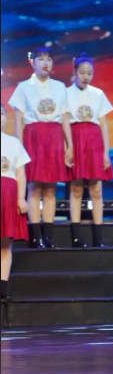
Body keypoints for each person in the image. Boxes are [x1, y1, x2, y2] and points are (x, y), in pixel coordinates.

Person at [9, 48, 73, 248]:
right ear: (33, 63)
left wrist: (69, 145)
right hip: (33, 137)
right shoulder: (24, 87)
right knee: (34, 188)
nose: (45, 63)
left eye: (49, 59)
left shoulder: (60, 87)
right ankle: (36, 237)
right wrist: (19, 148)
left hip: (54, 137)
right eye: (41, 59)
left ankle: (49, 236)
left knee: (51, 189)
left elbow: (64, 118)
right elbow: (19, 120)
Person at [67, 53, 113, 248]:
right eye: (82, 72)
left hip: (94, 143)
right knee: (76, 189)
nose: (86, 76)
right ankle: (77, 237)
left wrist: (106, 152)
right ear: (74, 72)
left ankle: (99, 238)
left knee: (96, 190)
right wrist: (67, 148)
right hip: (76, 140)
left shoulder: (98, 94)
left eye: (89, 73)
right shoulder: (65, 94)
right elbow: (63, 124)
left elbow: (104, 125)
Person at [1, 103, 30, 308]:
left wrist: (21, 198)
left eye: (1, 113)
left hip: (8, 195)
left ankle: (3, 289)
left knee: (5, 245)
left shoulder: (14, 143)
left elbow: (21, 174)